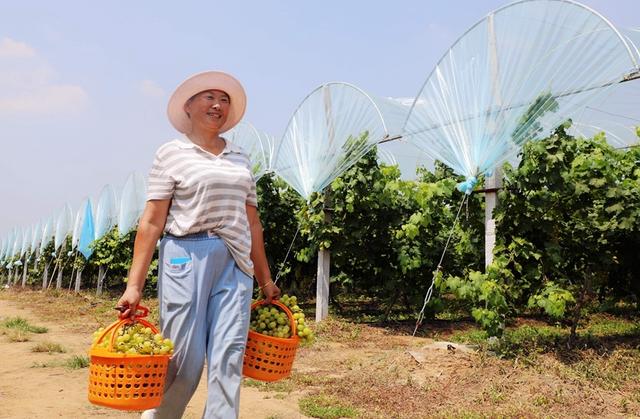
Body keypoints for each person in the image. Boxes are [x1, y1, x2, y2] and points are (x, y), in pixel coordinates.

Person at [116, 70, 281, 419]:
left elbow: (252, 222)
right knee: (183, 360)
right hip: (185, 256)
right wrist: (134, 286)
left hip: (236, 261)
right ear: (188, 107)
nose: (218, 105)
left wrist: (265, 279)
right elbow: (151, 222)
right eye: (209, 97)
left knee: (229, 356)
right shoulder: (171, 153)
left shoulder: (240, 156)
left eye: (224, 100)